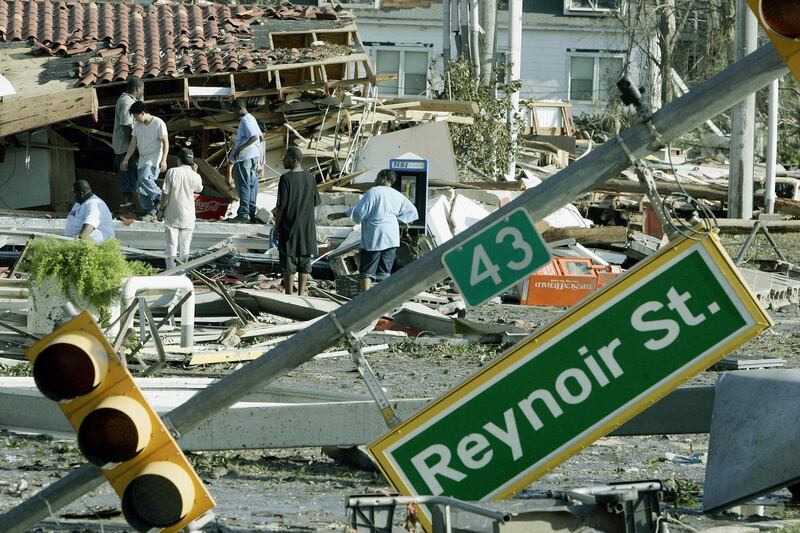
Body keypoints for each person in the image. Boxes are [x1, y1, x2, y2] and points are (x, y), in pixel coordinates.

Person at [328, 169, 417, 292]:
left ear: (383, 177)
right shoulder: (397, 195)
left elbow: (360, 212)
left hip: (375, 236)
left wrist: (341, 214)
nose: (374, 180)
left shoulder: (374, 192)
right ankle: (382, 300)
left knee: (367, 271)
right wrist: (396, 220)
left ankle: (365, 298)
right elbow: (412, 212)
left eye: (377, 177)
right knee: (384, 272)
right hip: (392, 237)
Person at [273, 147, 320, 296]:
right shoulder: (310, 178)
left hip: (289, 226)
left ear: (294, 159)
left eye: (286, 157)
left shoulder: (286, 178)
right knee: (304, 262)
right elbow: (315, 203)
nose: (284, 160)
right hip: (307, 228)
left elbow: (281, 207)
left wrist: (276, 227)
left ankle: (289, 294)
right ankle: (300, 293)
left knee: (289, 262)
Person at [120, 101, 169, 221]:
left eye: (136, 116)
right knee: (140, 189)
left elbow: (165, 142)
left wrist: (164, 160)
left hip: (154, 157)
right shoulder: (137, 125)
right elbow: (133, 143)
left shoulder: (158, 123)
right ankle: (151, 212)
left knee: (144, 178)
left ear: (142, 113)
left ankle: (160, 197)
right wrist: (126, 159)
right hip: (142, 158)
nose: (135, 119)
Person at [156, 148, 203, 269]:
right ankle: (183, 272)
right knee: (185, 247)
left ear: (179, 160)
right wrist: (196, 172)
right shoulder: (195, 176)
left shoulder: (172, 172)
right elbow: (199, 189)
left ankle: (170, 272)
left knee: (171, 244)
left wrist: (161, 209)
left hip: (173, 215)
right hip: (188, 216)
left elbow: (165, 193)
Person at [227, 99, 262, 223]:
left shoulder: (245, 120)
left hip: (245, 158)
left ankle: (243, 214)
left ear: (240, 108)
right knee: (252, 186)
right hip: (254, 158)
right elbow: (261, 139)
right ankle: (251, 214)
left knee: (244, 186)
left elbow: (254, 137)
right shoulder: (252, 118)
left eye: (234, 111)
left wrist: (239, 149)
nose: (233, 114)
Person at [111, 77, 143, 209]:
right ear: (137, 89)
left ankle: (128, 206)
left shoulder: (128, 100)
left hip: (125, 147)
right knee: (128, 178)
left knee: (129, 177)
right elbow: (126, 127)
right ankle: (127, 207)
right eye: (142, 90)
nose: (142, 93)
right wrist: (133, 148)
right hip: (125, 147)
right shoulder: (126, 102)